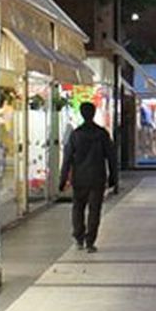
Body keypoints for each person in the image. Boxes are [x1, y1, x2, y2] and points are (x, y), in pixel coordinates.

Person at [58, 101, 118, 253]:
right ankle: (90, 241)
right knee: (94, 210)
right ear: (94, 113)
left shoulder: (75, 135)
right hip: (97, 177)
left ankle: (79, 238)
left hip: (79, 178)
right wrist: (113, 177)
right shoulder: (102, 134)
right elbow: (111, 157)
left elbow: (67, 159)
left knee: (78, 208)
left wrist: (63, 180)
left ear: (82, 114)